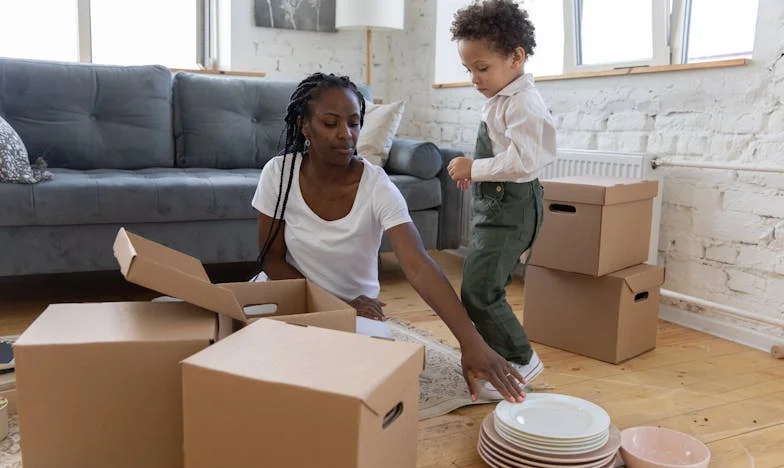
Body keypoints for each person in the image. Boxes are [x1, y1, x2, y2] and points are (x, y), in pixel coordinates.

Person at [250, 72, 526, 403]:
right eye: (330, 123)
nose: (345, 135)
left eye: (354, 123)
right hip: (293, 296)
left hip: (358, 315)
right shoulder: (278, 174)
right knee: (256, 361)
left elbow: (419, 265)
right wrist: (333, 304)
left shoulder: (377, 186)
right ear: (304, 125)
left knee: (365, 383)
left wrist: (471, 341)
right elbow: (271, 259)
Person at [446, 0, 556, 401]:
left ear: (516, 57)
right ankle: (504, 352)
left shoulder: (522, 102)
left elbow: (526, 159)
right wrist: (475, 175)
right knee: (481, 284)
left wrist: (475, 169)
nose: (474, 78)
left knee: (479, 290)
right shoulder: (501, 96)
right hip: (496, 204)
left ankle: (520, 359)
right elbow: (501, 151)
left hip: (512, 208)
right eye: (468, 69)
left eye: (482, 68)